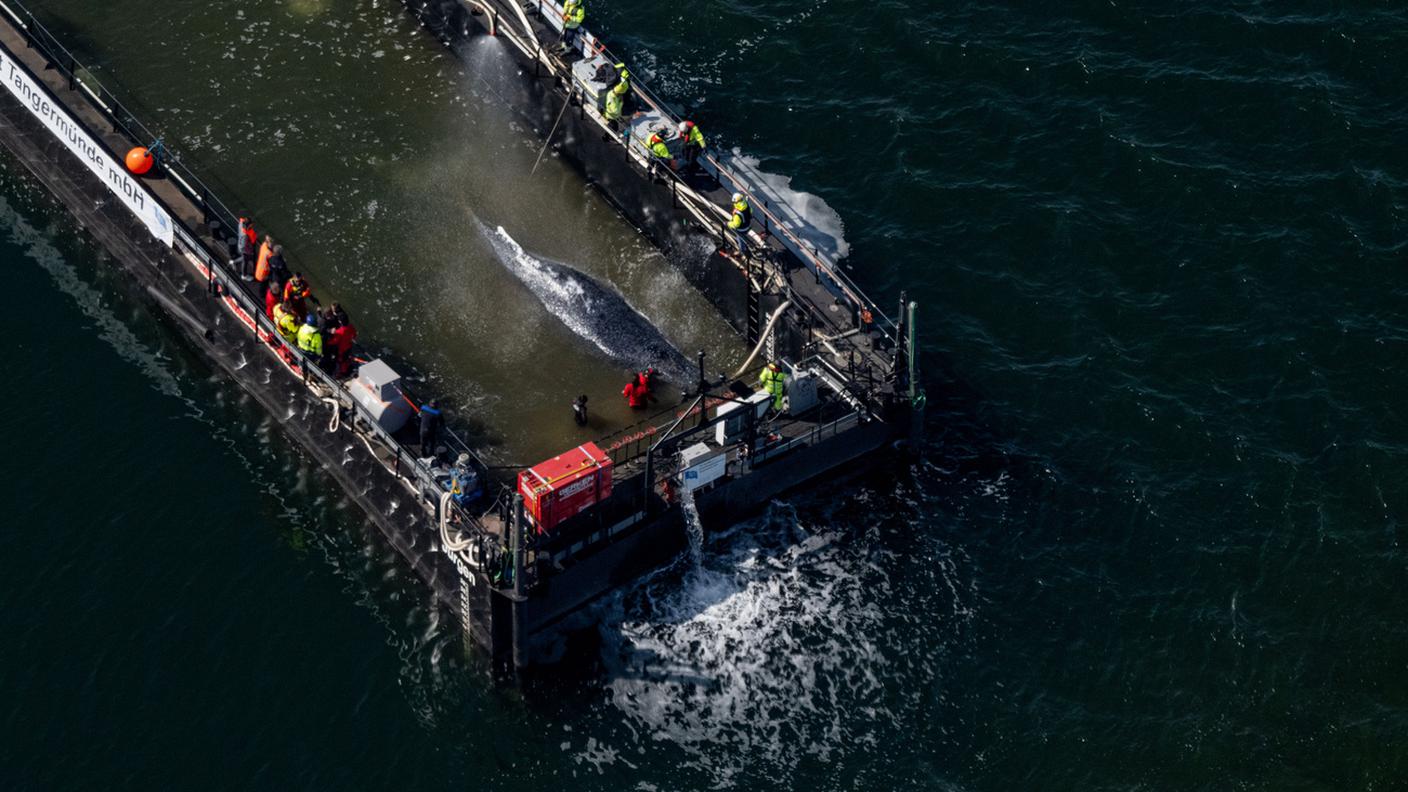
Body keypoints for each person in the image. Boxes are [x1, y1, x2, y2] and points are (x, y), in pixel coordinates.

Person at [328, 309, 358, 377]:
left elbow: (334, 341)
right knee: (346, 359)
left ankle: (340, 373)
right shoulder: (351, 327)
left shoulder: (340, 331)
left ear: (340, 322)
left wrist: (327, 341)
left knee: (340, 362)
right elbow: (354, 335)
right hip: (349, 347)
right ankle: (347, 368)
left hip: (341, 351)